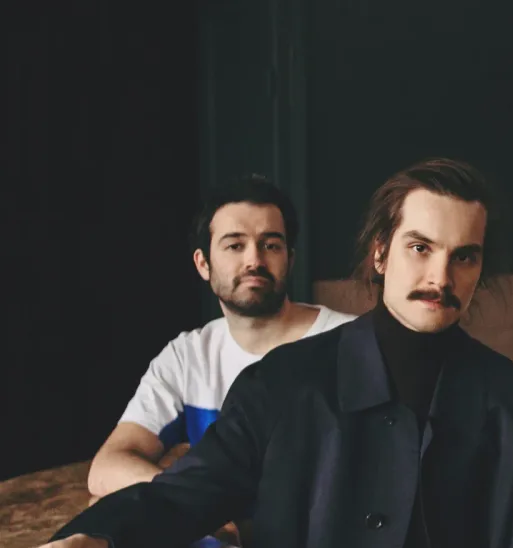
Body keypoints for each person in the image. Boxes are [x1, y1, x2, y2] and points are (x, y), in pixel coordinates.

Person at [0, 159, 513, 548]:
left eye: (464, 257)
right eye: (420, 247)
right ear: (381, 252)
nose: (440, 276)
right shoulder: (279, 383)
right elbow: (178, 500)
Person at [87, 176, 354, 498]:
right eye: (235, 245)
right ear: (203, 264)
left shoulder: (351, 343)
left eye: (271, 245)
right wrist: (195, 503)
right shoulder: (187, 357)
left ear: (290, 259)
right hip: (221, 527)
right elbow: (107, 466)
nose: (254, 260)